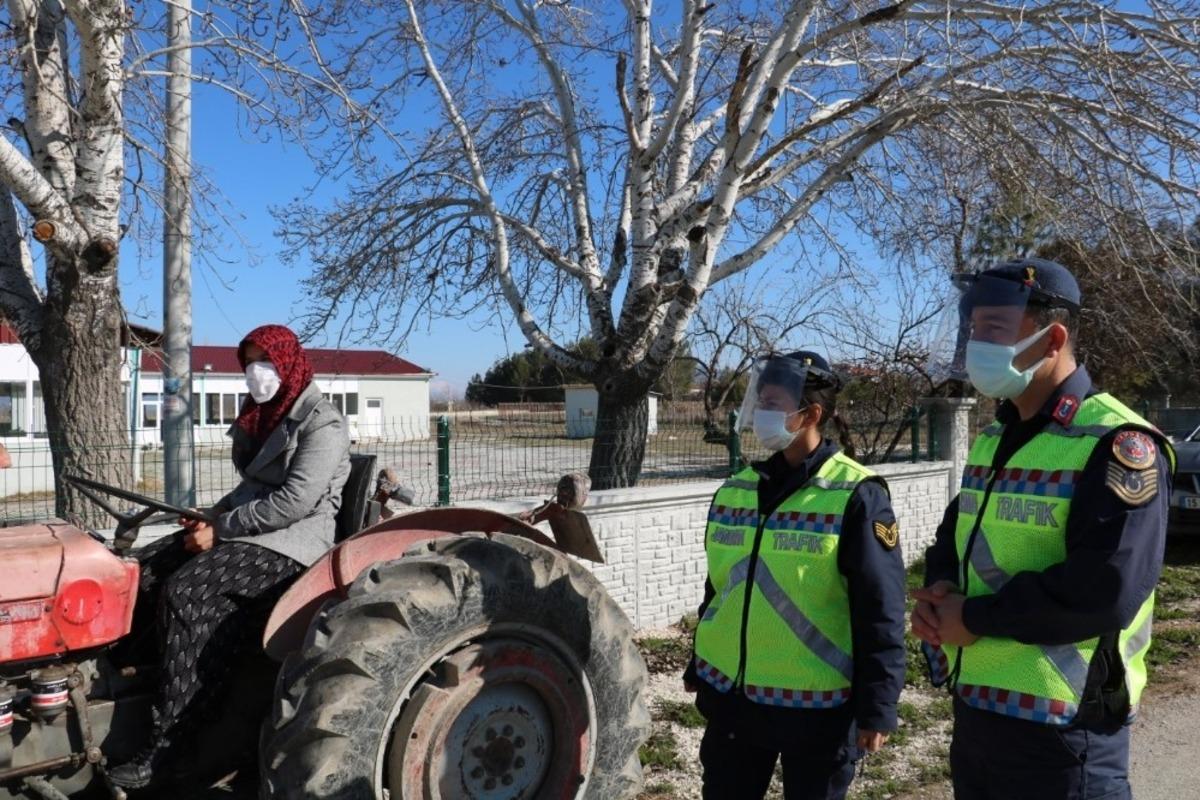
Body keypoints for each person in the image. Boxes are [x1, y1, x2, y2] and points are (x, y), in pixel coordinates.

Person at [911, 259, 1173, 800]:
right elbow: (955, 535)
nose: (974, 342)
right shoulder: (995, 437)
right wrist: (940, 591)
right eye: (972, 328)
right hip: (979, 715)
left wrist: (976, 617)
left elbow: (1106, 589)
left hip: (1064, 733)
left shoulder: (1117, 443)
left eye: (993, 330)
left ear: (1052, 338)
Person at [109, 324, 352, 789]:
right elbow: (250, 489)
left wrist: (220, 530)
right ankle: (131, 680)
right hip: (252, 531)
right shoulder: (264, 415)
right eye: (250, 362)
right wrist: (209, 517)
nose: (256, 372)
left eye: (267, 361)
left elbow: (294, 502)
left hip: (295, 543)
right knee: (148, 567)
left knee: (190, 592)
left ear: (289, 362)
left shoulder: (323, 421)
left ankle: (170, 746)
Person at [684, 351, 907, 800]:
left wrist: (877, 706)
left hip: (816, 712)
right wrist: (699, 658)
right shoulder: (736, 489)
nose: (761, 412)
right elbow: (721, 588)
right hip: (734, 704)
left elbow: (879, 607)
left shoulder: (855, 496)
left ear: (811, 414)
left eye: (772, 402)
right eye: (759, 400)